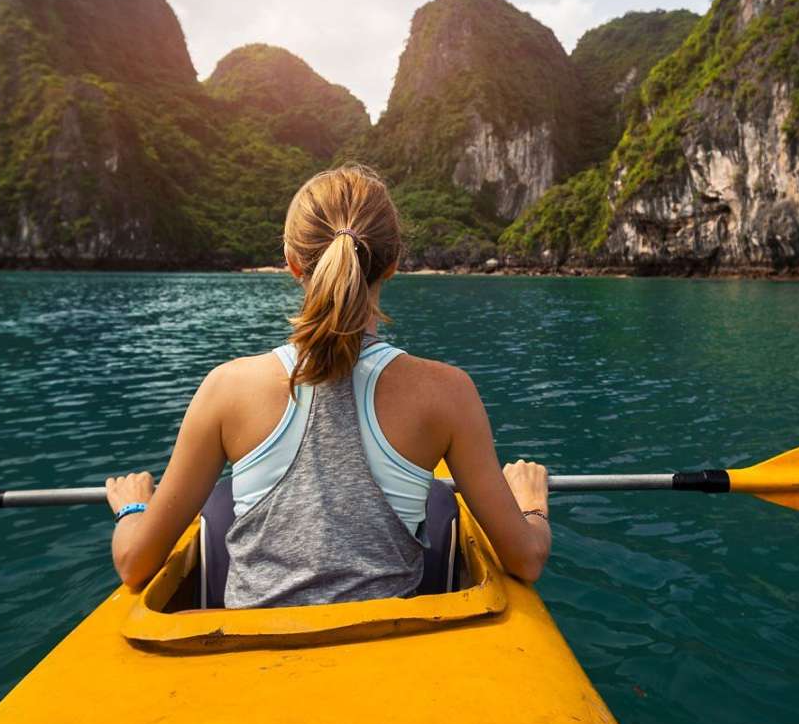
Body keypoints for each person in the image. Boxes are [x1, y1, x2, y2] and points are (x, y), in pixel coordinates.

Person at [103, 164, 551, 606]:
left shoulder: (227, 388)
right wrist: (530, 503)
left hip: (249, 663)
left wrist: (133, 509)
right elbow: (525, 561)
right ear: (393, 263)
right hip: (386, 659)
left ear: (292, 262)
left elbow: (134, 564)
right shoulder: (446, 392)